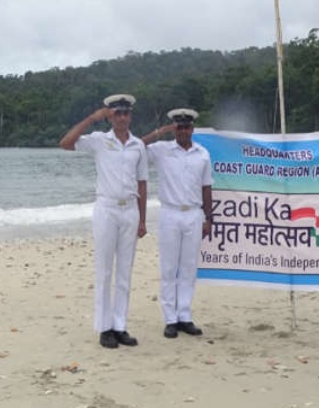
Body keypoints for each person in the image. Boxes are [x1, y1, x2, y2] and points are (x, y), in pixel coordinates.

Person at [59, 94, 148, 349]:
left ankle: (120, 325)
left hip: (129, 210)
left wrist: (142, 219)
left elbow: (142, 182)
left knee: (124, 272)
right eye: (116, 113)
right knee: (104, 270)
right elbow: (65, 143)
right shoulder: (99, 141)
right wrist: (91, 118)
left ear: (130, 116)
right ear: (110, 116)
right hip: (106, 209)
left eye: (125, 113)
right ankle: (104, 328)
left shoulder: (137, 145)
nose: (121, 118)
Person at [141, 108, 213, 339]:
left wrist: (208, 217)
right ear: (174, 128)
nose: (182, 131)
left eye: (186, 127)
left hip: (193, 214)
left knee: (189, 268)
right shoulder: (162, 150)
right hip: (170, 214)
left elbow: (207, 188)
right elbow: (137, 146)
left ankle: (185, 316)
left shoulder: (202, 154)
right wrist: (160, 132)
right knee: (169, 268)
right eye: (178, 127)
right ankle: (170, 319)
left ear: (192, 129)